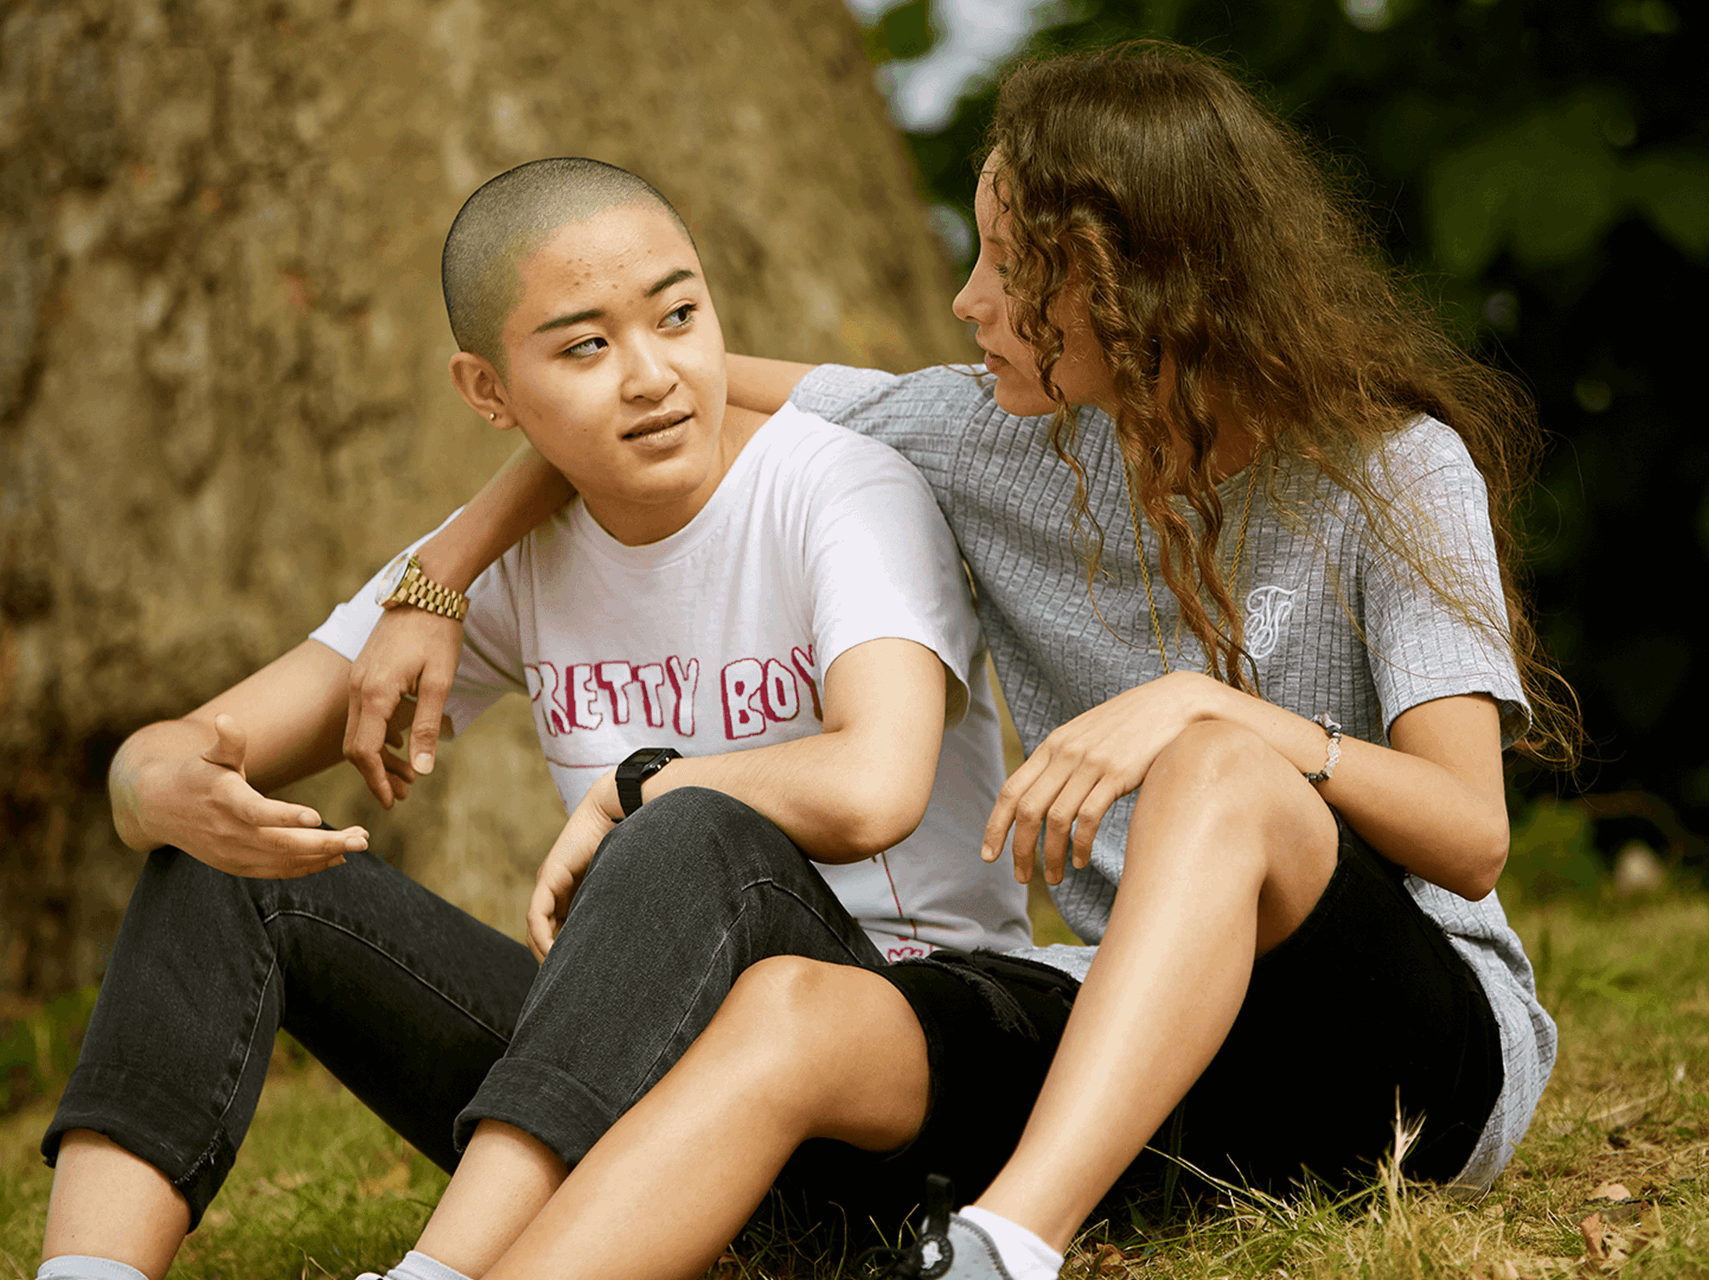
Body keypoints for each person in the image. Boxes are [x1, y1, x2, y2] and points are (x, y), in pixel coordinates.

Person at [340, 40, 1574, 1280]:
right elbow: (660, 403)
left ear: (1131, 288)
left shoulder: (1394, 465)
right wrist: (440, 576)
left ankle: (1007, 1246)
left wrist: (1228, 717)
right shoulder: (991, 440)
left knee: (1216, 767)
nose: (967, 299)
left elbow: (1469, 833)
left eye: (1011, 268)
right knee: (793, 1011)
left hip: (1411, 1070)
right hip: (1168, 1079)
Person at [35, 157, 1030, 1280]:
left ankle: (443, 1272)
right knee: (214, 859)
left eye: (680, 315)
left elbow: (876, 784)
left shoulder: (842, 490)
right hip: (626, 1085)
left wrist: (640, 784)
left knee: (688, 818)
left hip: (876, 1067)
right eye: (585, 347)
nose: (653, 375)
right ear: (488, 392)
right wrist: (158, 786)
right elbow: (185, 746)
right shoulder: (489, 564)